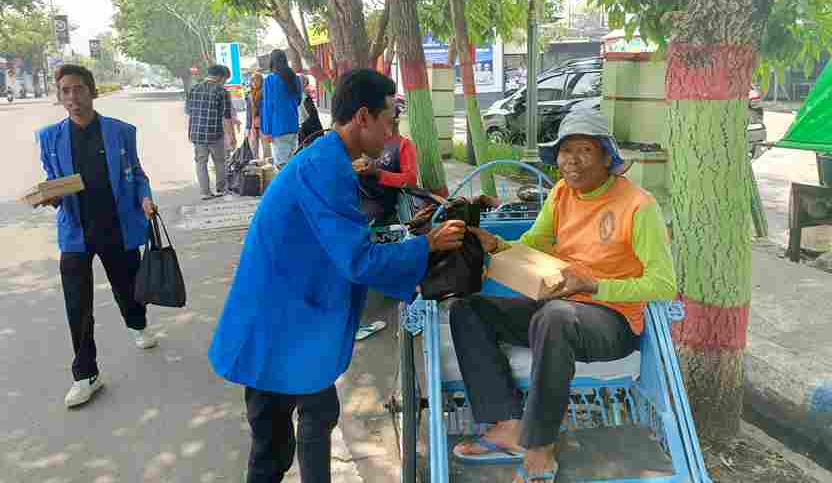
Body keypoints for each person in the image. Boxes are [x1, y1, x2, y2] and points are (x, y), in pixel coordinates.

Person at [208, 69, 467, 483]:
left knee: (319, 411)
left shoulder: (330, 160)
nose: (391, 131)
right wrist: (427, 246)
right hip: (276, 323)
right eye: (389, 120)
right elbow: (358, 260)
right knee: (271, 451)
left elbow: (345, 240)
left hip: (296, 314)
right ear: (363, 117)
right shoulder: (325, 168)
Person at [450, 109, 677, 483]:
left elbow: (663, 284)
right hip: (557, 311)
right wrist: (497, 246)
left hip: (611, 319)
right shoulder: (561, 193)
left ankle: (539, 441)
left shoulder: (640, 206)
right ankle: (508, 423)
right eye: (564, 150)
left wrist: (594, 285)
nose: (571, 160)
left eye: (584, 149)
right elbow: (534, 244)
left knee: (554, 315)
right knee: (467, 310)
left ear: (608, 156)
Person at [36, 64, 159, 409]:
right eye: (65, 91)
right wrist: (51, 196)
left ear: (92, 91)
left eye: (78, 89)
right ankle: (86, 373)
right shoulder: (50, 137)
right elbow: (53, 181)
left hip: (117, 225)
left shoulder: (120, 132)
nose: (73, 98)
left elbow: (137, 175)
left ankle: (137, 323)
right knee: (77, 303)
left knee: (127, 286)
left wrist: (145, 197)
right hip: (75, 231)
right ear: (60, 97)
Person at [353, 103, 418, 225]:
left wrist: (378, 173)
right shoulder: (370, 140)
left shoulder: (404, 145)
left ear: (395, 120)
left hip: (382, 206)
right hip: (359, 198)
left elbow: (410, 180)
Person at [186, 64, 237, 200]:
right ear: (220, 77)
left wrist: (190, 131)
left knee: (200, 162)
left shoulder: (194, 89)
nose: (224, 82)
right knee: (220, 161)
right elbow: (226, 117)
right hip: (215, 134)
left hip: (197, 133)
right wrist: (232, 136)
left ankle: (205, 192)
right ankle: (221, 190)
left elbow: (190, 113)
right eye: (225, 79)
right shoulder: (221, 91)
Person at [261, 49, 302, 168]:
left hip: (278, 127)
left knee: (281, 166)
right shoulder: (294, 78)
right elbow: (298, 100)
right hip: (293, 125)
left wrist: (266, 130)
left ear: (272, 62)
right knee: (292, 163)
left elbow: (268, 106)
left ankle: (287, 187)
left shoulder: (270, 80)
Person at [246, 72, 266, 158]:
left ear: (261, 81)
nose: (254, 82)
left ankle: (268, 168)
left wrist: (260, 118)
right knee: (253, 148)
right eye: (252, 80)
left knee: (266, 149)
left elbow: (267, 109)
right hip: (253, 125)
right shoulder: (249, 94)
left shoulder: (265, 93)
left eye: (257, 80)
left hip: (264, 124)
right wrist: (248, 127)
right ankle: (256, 167)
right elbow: (248, 112)